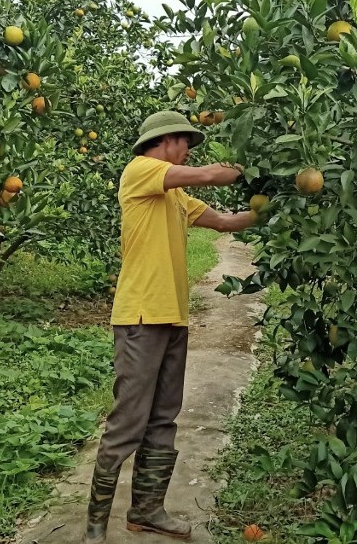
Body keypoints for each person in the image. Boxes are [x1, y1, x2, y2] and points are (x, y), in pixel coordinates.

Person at [84, 110, 256, 543]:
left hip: (173, 317)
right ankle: (94, 528)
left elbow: (226, 222)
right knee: (129, 421)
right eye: (187, 143)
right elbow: (211, 175)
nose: (189, 151)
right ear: (169, 141)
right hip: (141, 317)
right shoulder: (141, 171)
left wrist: (275, 209)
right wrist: (256, 168)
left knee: (163, 418)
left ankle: (146, 511)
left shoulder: (175, 197)